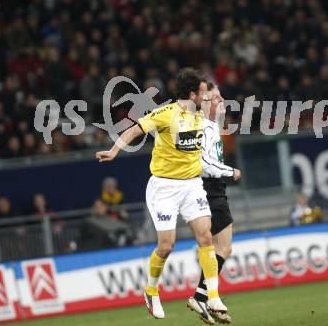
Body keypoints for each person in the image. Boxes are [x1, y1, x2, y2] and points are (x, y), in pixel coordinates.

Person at [96, 68, 228, 320]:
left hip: (191, 185)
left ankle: (213, 296)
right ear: (192, 94)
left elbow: (216, 112)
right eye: (203, 92)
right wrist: (114, 151)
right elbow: (135, 130)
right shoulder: (166, 115)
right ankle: (151, 290)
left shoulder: (201, 116)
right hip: (164, 187)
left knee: (206, 237)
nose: (207, 96)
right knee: (166, 246)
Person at [187, 82, 241, 324]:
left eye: (221, 96)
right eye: (216, 97)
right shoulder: (206, 127)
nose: (222, 100)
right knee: (223, 248)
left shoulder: (212, 126)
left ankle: (202, 296)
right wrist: (230, 170)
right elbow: (204, 164)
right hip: (210, 190)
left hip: (214, 189)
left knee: (222, 248)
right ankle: (204, 297)